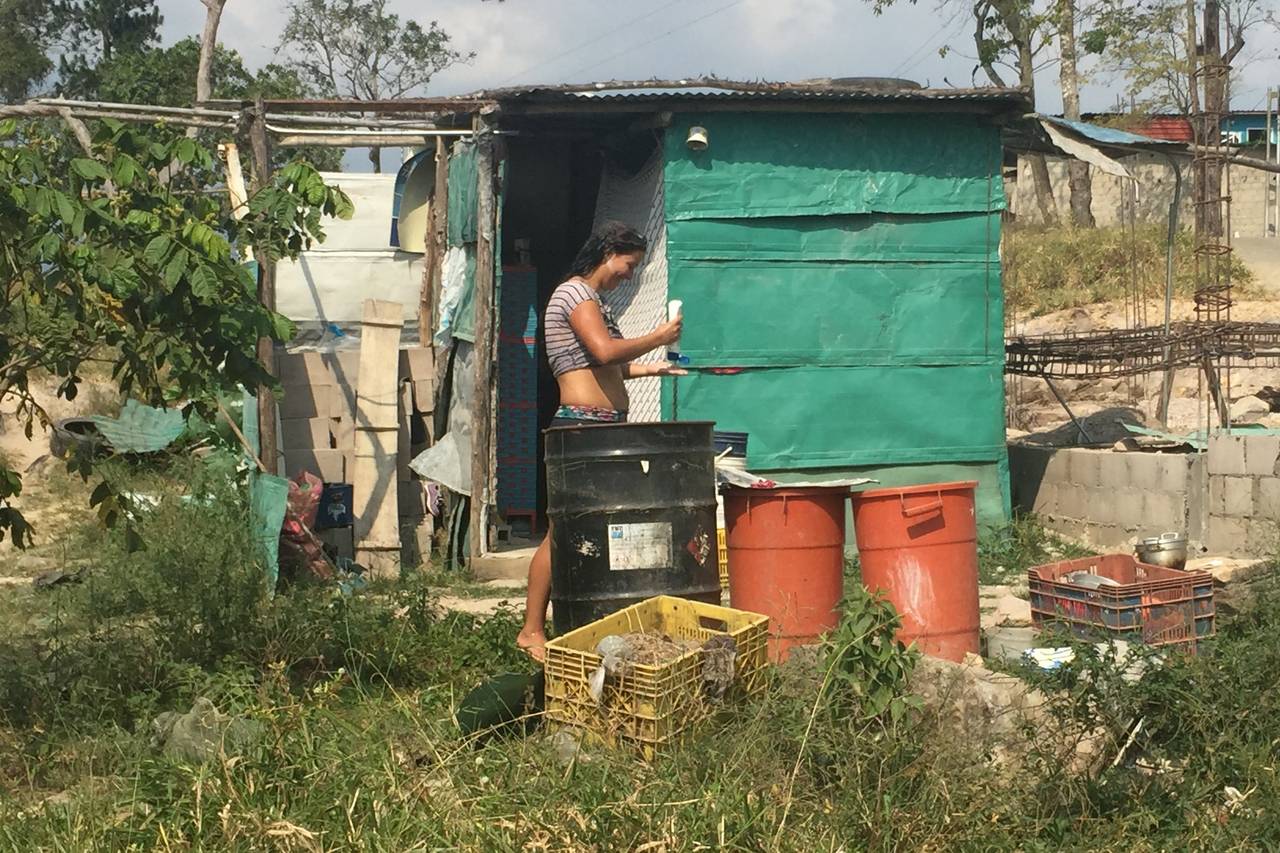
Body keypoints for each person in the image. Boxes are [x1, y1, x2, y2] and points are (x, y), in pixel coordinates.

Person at [515, 222, 685, 661]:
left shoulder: (596, 302)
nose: (629, 275)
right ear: (609, 251)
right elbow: (606, 352)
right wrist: (659, 338)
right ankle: (531, 630)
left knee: (595, 532)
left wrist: (653, 369)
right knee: (562, 532)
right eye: (629, 266)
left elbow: (604, 368)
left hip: (603, 427)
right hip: (582, 427)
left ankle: (583, 620)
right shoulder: (575, 295)